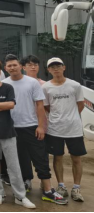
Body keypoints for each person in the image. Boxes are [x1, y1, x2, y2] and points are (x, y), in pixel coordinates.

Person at [2, 54, 67, 205]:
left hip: (32, 127)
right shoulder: (3, 84)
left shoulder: (32, 82)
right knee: (19, 159)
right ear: (5, 68)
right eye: (9, 66)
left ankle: (48, 190)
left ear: (20, 66)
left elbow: (40, 105)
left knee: (40, 158)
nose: (12, 67)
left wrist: (41, 126)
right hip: (12, 128)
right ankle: (24, 185)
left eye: (15, 65)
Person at [0, 59, 36, 209]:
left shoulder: (7, 87)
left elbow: (11, 104)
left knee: (13, 165)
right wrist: (1, 106)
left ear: (0, 71)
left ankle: (20, 196)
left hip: (8, 131)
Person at [43, 57, 86, 202]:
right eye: (52, 67)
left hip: (74, 128)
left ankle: (76, 188)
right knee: (57, 157)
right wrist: (58, 117)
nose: (56, 69)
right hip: (55, 129)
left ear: (64, 67)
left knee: (76, 158)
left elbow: (80, 104)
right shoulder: (46, 87)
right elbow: (46, 106)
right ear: (48, 70)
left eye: (58, 66)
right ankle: (61, 186)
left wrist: (71, 117)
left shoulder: (75, 85)